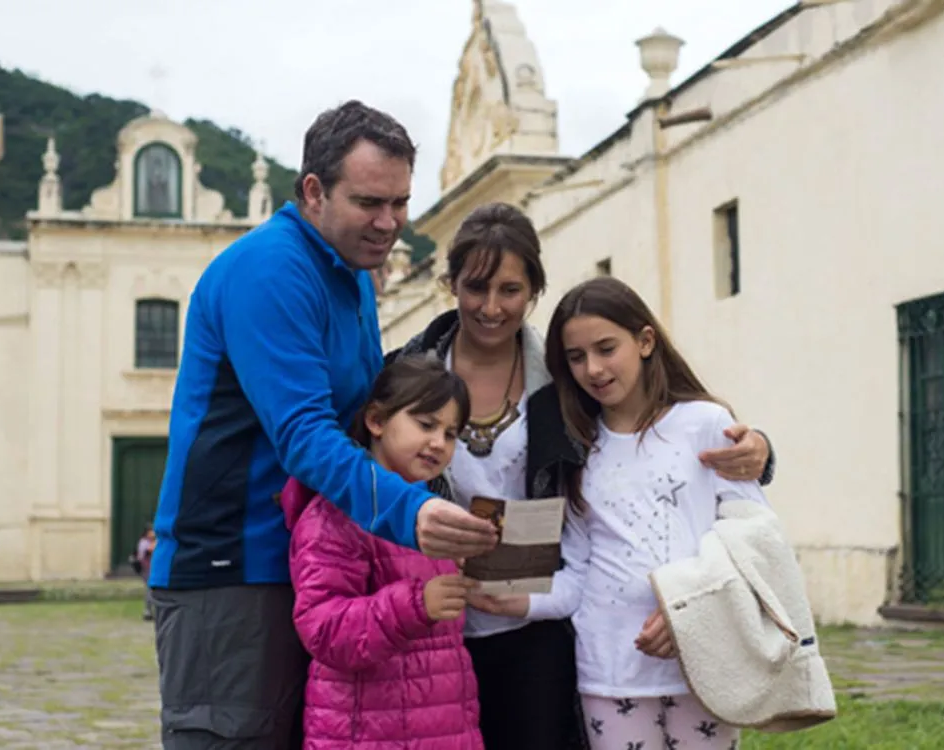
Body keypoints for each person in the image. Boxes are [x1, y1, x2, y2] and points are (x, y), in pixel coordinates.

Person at [148, 100, 497, 750]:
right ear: (313, 190)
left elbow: (370, 411)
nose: (389, 222)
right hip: (233, 564)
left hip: (303, 563)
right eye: (369, 202)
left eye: (400, 202)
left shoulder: (353, 275)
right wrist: (411, 514)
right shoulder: (271, 270)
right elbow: (307, 434)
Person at [388, 203, 775, 750]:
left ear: (534, 291)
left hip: (543, 626)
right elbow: (365, 453)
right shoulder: (406, 370)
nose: (492, 307)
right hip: (435, 618)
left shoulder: (567, 383)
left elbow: (655, 437)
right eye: (476, 287)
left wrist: (759, 451)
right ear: (451, 284)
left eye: (511, 290)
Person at [283, 356, 484, 749]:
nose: (438, 443)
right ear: (376, 420)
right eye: (426, 425)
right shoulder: (335, 516)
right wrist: (416, 604)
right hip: (365, 734)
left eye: (451, 433)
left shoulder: (435, 511)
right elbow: (324, 629)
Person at [135, 523, 156, 621]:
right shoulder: (144, 542)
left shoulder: (150, 541)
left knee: (152, 590)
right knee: (150, 590)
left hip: (152, 569)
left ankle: (150, 610)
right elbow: (148, 551)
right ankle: (147, 611)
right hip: (147, 569)